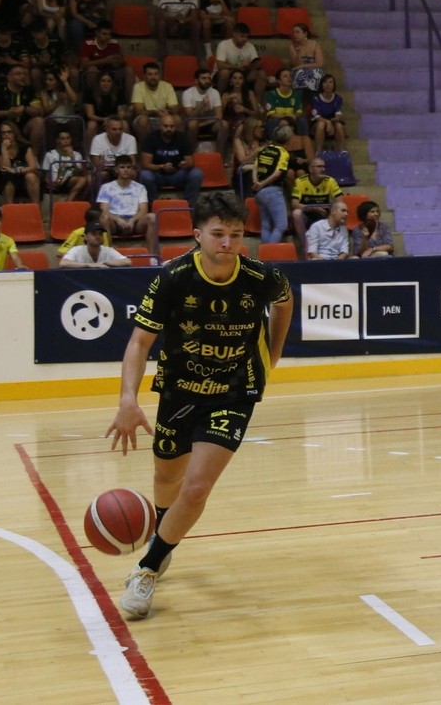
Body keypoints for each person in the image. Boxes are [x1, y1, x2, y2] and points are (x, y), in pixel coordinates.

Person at [107, 193, 294, 620]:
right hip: (180, 389)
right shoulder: (173, 278)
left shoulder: (261, 276)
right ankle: (163, 533)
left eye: (235, 234)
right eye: (217, 234)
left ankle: (148, 568)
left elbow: (284, 302)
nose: (226, 243)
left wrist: (273, 352)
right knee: (166, 476)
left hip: (235, 390)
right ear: (197, 235)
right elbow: (139, 341)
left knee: (195, 487)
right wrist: (127, 399)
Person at [97, 155, 159, 256]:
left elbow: (144, 210)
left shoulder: (140, 187)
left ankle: (152, 257)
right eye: (122, 167)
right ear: (116, 169)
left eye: (128, 167)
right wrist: (118, 219)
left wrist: (132, 220)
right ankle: (107, 256)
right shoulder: (106, 187)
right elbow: (103, 210)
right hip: (115, 222)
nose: (126, 170)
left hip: (135, 222)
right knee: (103, 218)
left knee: (152, 217)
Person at [138, 113, 202, 206]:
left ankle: (187, 206)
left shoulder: (183, 138)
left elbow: (191, 163)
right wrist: (161, 167)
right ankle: (154, 205)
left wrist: (185, 165)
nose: (169, 129)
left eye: (172, 126)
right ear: (159, 126)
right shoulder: (151, 138)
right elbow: (145, 164)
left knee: (197, 173)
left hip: (178, 174)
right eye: (166, 126)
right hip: (158, 174)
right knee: (144, 175)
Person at [246, 126, 292, 244]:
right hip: (273, 191)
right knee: (281, 225)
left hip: (259, 194)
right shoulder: (283, 153)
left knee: (266, 225)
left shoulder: (264, 150)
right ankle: (270, 254)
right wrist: (262, 184)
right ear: (288, 139)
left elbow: (255, 167)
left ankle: (265, 255)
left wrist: (256, 182)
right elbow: (278, 173)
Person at [61, 223, 132, 268]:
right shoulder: (76, 250)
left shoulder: (108, 250)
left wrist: (104, 263)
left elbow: (127, 262)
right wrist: (89, 265)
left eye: (100, 234)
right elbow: (63, 263)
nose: (98, 236)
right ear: (85, 237)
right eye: (93, 234)